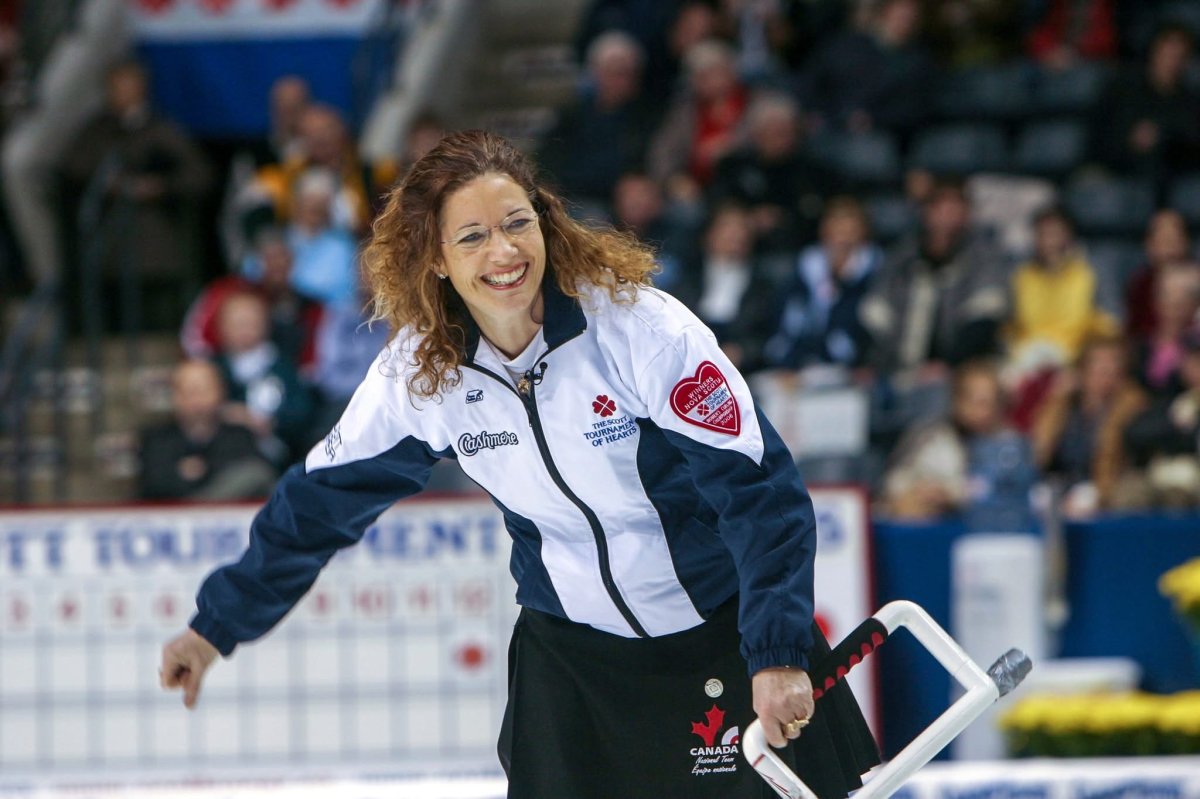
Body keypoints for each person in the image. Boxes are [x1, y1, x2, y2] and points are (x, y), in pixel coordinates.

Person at [160, 130, 878, 799]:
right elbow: (315, 508)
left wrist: (778, 651)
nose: (503, 251)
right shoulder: (420, 374)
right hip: (573, 664)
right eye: (472, 236)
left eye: (516, 223)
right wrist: (216, 624)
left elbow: (759, 492)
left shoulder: (638, 327)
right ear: (436, 256)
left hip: (720, 634)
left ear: (545, 223)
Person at [138, 359, 277, 501]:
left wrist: (200, 470)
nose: (197, 400)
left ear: (221, 392)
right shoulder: (156, 440)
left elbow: (258, 476)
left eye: (204, 391)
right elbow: (154, 485)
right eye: (189, 392)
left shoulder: (240, 436)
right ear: (174, 397)